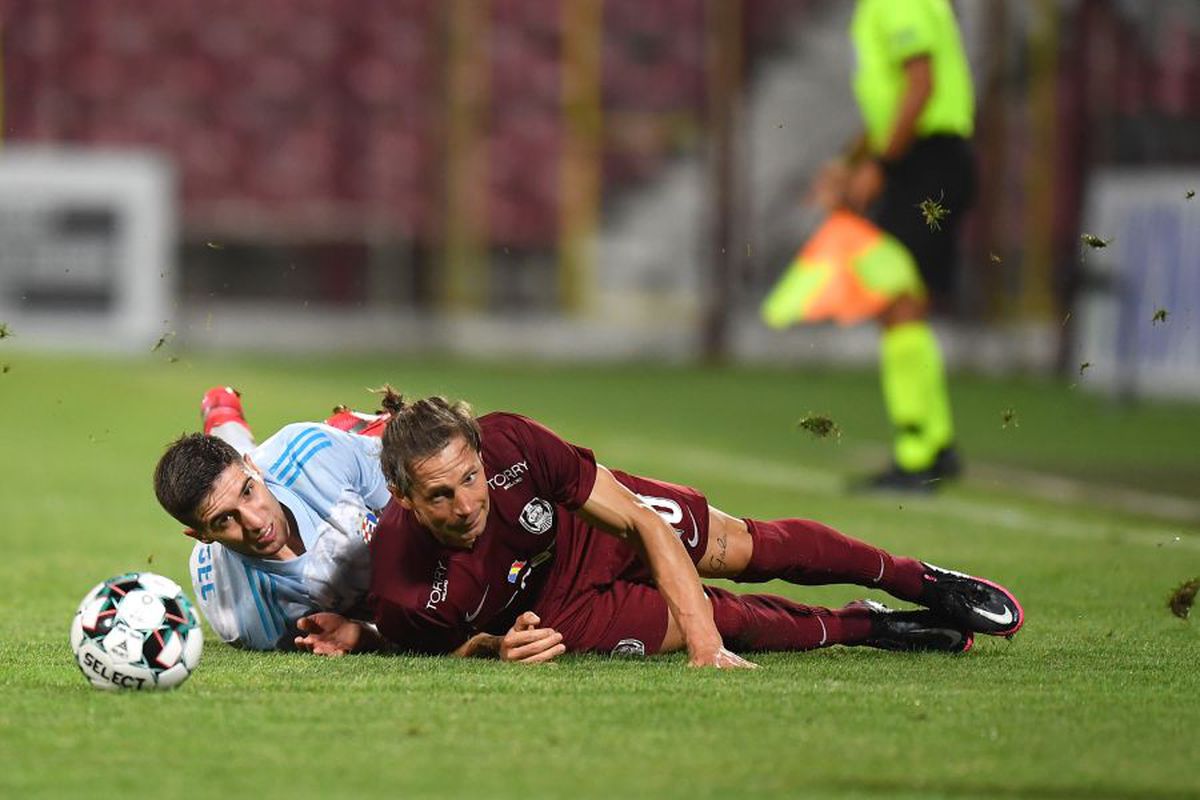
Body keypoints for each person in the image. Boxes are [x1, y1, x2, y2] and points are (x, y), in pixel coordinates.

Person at [294, 395, 1023, 667]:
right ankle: (870, 627)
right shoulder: (402, 586)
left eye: (471, 478)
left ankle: (916, 578)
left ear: (483, 456)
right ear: (404, 498)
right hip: (557, 612)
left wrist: (702, 647)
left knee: (747, 549)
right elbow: (441, 647)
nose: (466, 504)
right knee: (732, 622)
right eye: (440, 495)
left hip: (589, 530)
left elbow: (641, 520)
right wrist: (494, 646)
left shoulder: (514, 442)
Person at [763, 0, 976, 492]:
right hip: (922, 159)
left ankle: (919, 454)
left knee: (898, 301)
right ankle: (935, 446)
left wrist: (879, 167)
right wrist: (851, 161)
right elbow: (896, 103)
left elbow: (920, 87)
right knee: (901, 301)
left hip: (928, 162)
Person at [154, 387, 392, 650]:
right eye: (225, 520)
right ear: (202, 536)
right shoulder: (247, 619)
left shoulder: (311, 452)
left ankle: (221, 410)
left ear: (254, 468)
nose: (255, 523)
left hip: (312, 458)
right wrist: (366, 636)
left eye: (248, 492)